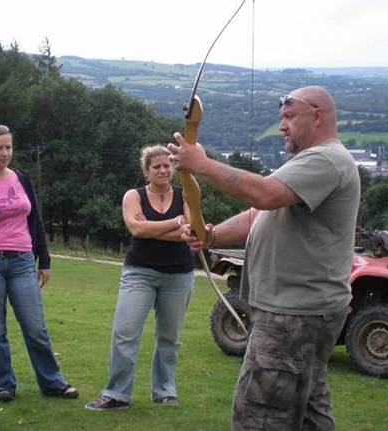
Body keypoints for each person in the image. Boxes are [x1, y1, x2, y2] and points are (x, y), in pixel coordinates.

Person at [168, 86, 360, 430]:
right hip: (300, 310)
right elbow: (257, 214)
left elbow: (266, 194)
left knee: (259, 416)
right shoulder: (307, 162)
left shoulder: (326, 160)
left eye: (289, 117)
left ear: (318, 116)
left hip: (293, 313)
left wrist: (201, 164)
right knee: (309, 415)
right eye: (281, 118)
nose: (282, 125)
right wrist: (210, 235)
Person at [0, 124, 78, 403]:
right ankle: (4, 385)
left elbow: (35, 220)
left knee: (35, 328)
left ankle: (52, 382)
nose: (4, 153)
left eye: (9, 147)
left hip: (24, 261)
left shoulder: (22, 180)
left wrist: (44, 260)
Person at [85, 145, 195, 411]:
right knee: (125, 332)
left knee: (169, 338)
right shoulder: (133, 196)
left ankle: (165, 391)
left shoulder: (186, 195)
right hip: (140, 273)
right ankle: (117, 394)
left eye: (167, 165)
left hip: (179, 274)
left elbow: (190, 233)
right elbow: (136, 228)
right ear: (146, 170)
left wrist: (155, 228)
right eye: (156, 166)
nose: (163, 170)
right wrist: (176, 222)